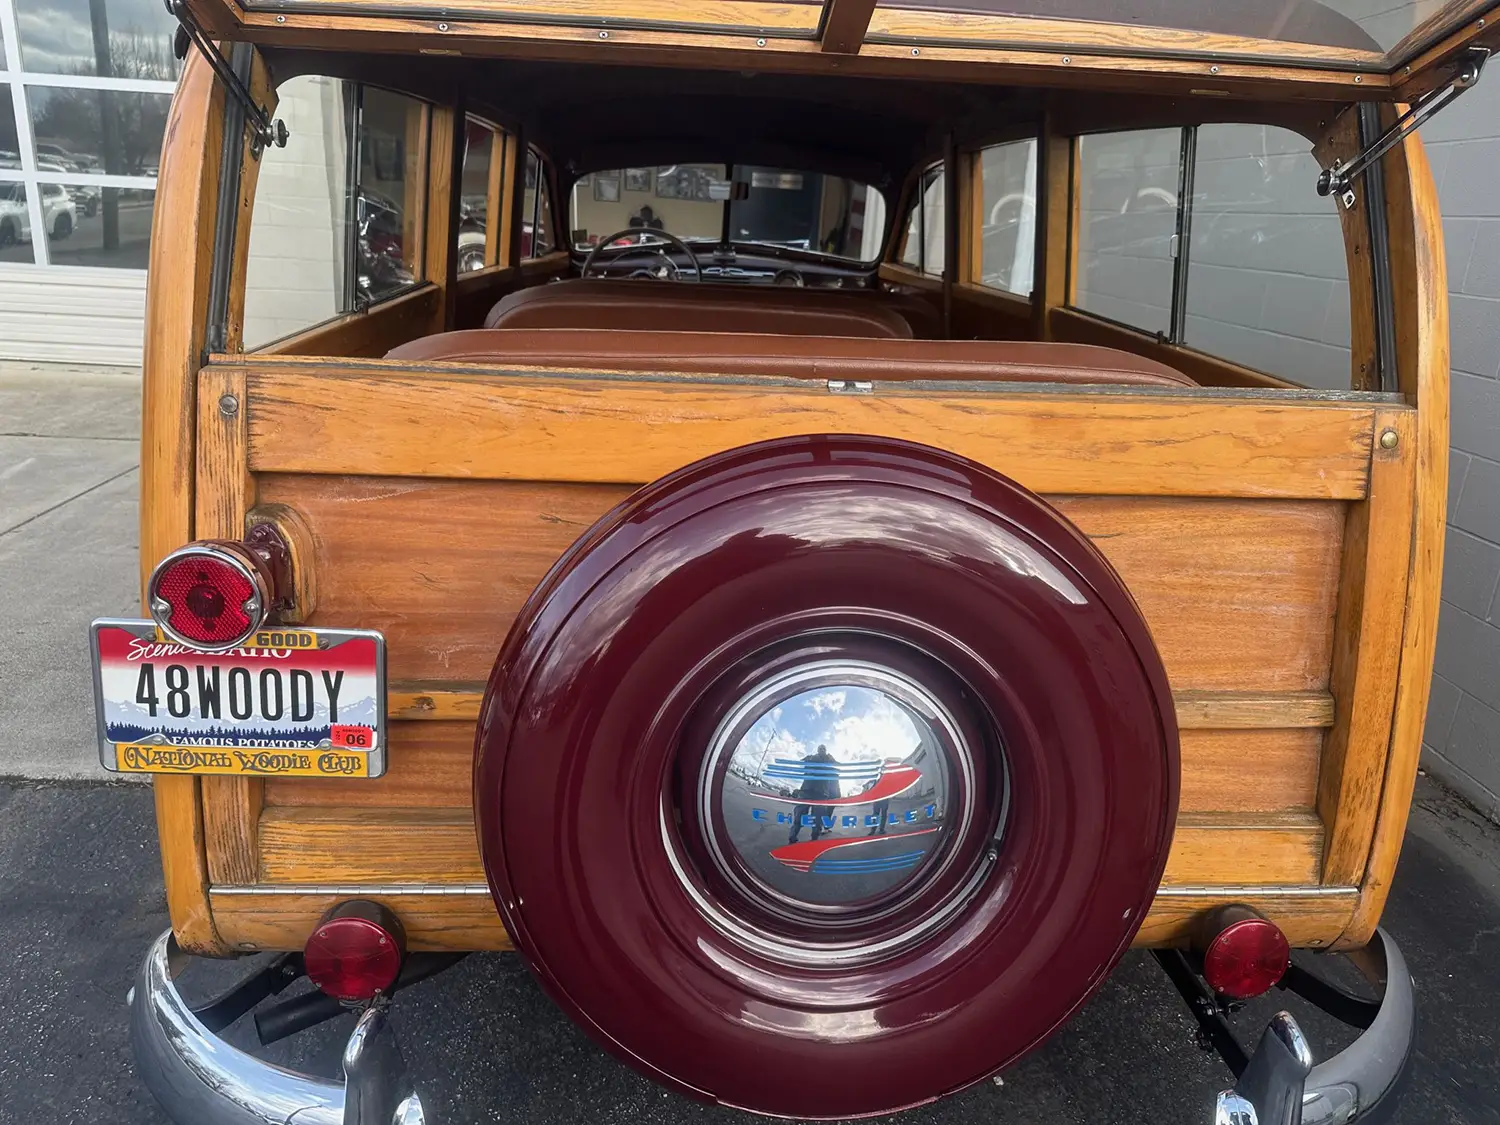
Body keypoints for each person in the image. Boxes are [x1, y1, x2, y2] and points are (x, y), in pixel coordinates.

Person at [787, 744, 839, 844]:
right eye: (820, 748)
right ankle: (792, 838)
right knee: (799, 816)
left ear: (826, 750)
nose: (822, 750)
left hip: (821, 794)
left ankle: (814, 839)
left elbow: (836, 767)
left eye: (824, 749)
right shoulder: (811, 758)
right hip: (806, 791)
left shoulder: (829, 760)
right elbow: (802, 763)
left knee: (818, 820)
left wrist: (831, 759)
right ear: (817, 750)